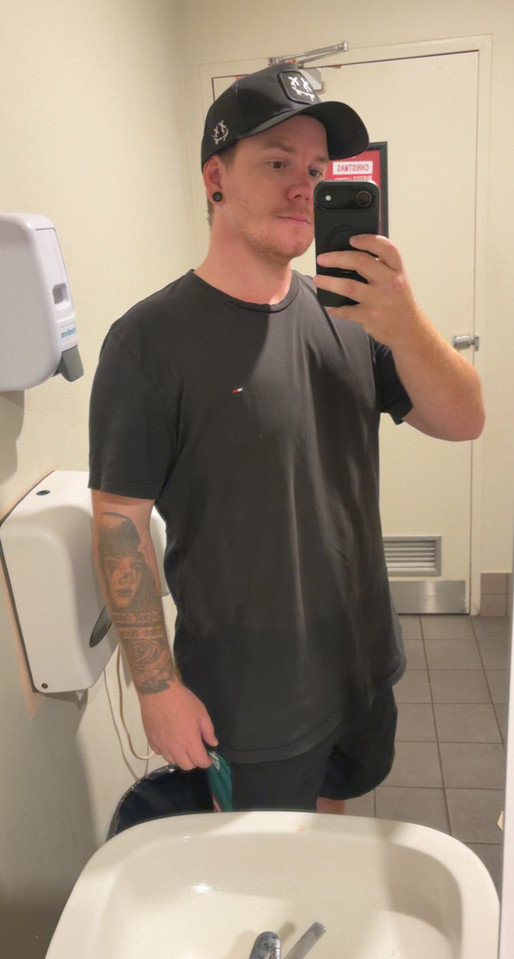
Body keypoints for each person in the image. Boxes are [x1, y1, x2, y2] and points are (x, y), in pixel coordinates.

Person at [89, 63, 484, 813]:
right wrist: (157, 687)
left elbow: (464, 419)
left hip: (360, 663)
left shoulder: (356, 316)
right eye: (277, 164)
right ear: (216, 178)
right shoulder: (148, 342)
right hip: (250, 696)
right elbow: (118, 520)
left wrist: (405, 321)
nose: (303, 187)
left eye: (316, 170)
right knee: (261, 865)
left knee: (331, 828)